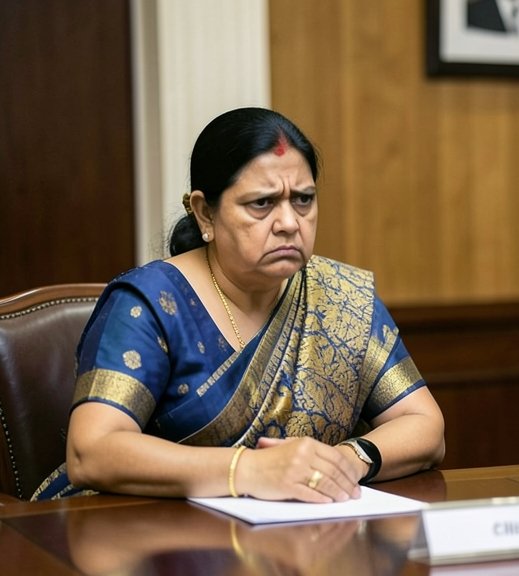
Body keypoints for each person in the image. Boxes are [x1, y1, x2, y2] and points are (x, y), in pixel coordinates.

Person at [33, 107, 445, 502]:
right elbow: (93, 451)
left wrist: (347, 461)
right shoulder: (152, 302)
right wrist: (248, 471)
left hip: (302, 540)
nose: (289, 222)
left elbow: (425, 426)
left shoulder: (341, 297)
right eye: (262, 204)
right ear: (204, 214)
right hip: (149, 538)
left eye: (303, 200)